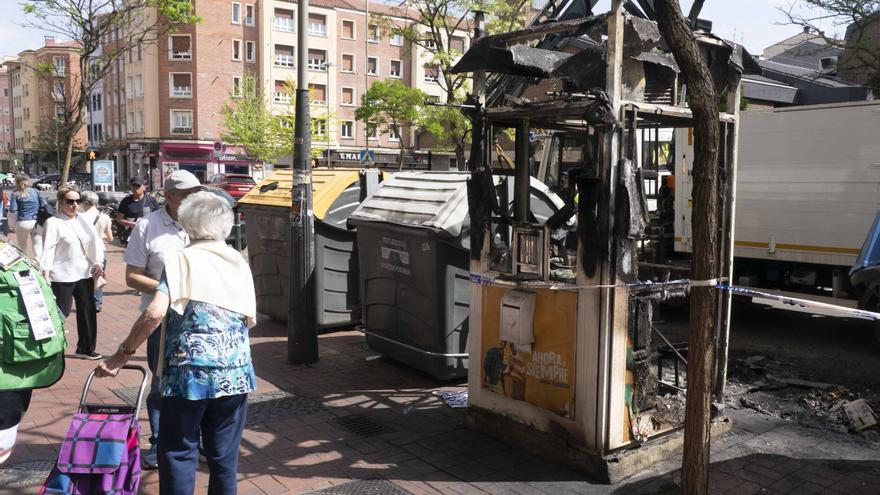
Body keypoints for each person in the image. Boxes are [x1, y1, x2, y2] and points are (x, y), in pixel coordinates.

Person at [96, 191, 256, 495]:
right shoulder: (237, 260)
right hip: (234, 373)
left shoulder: (182, 258)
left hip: (188, 375)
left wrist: (121, 355)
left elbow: (154, 313)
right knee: (224, 459)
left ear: (187, 223)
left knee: (179, 453)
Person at [123, 170, 202, 470]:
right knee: (160, 382)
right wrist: (168, 291)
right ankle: (159, 441)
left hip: (198, 320)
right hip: (162, 319)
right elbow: (131, 277)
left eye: (196, 193)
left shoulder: (201, 223)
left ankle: (194, 437)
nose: (193, 198)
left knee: (196, 378)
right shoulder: (147, 226)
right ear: (169, 196)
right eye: (186, 194)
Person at [40, 185, 105, 360]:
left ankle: (86, 348)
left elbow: (95, 242)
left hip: (84, 274)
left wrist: (98, 262)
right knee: (60, 313)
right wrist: (45, 274)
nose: (75, 204)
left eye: (78, 201)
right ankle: (52, 348)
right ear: (61, 202)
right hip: (61, 276)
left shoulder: (83, 220)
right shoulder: (53, 223)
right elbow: (47, 250)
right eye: (70, 201)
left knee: (87, 312)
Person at [79, 191, 113, 312]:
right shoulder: (104, 217)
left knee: (84, 278)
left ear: (84, 202)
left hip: (84, 251)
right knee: (98, 276)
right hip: (101, 251)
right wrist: (100, 236)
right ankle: (97, 303)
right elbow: (110, 238)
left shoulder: (79, 217)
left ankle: (86, 302)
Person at [8, 174, 48, 258]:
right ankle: (40, 265)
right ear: (29, 181)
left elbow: (13, 210)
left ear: (17, 182)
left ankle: (26, 266)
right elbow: (44, 204)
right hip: (36, 222)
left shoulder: (15, 194)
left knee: (22, 246)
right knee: (38, 245)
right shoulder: (36, 191)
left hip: (22, 223)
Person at [116, 176, 159, 245]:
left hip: (149, 235)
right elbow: (119, 218)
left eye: (138, 186)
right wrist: (131, 224)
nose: (135, 189)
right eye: (133, 186)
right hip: (131, 236)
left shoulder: (151, 201)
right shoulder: (126, 201)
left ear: (144, 187)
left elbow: (158, 218)